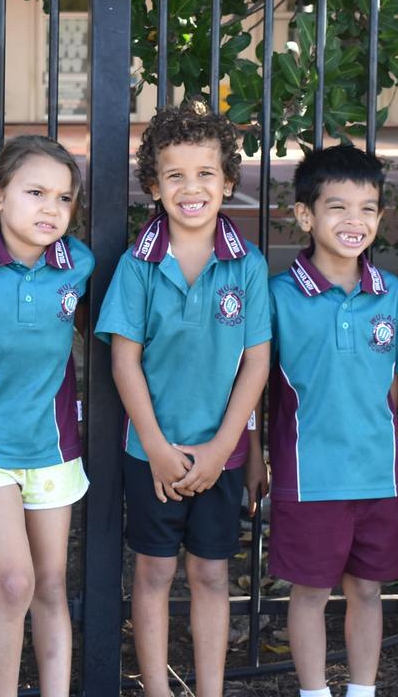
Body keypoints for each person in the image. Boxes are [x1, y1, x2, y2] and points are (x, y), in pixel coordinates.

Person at [95, 99, 270, 697]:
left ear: (227, 182)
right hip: (153, 455)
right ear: (153, 185)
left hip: (219, 455)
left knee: (212, 575)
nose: (190, 188)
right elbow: (125, 360)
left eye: (205, 175)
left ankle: (212, 689)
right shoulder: (137, 266)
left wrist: (224, 449)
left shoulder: (246, 265)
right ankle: (157, 690)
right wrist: (156, 446)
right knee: (153, 572)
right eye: (175, 175)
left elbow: (256, 363)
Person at [267, 145, 398, 697]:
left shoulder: (392, 297)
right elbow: (258, 386)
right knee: (308, 593)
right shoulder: (280, 296)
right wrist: (261, 454)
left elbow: (393, 388)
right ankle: (313, 691)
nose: (355, 222)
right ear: (305, 216)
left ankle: (362, 690)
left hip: (379, 475)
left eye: (368, 209)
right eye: (338, 208)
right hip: (310, 478)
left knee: (369, 592)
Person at [0, 135, 93, 696]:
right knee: (14, 581)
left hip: (53, 445)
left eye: (63, 198)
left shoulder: (78, 263)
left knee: (52, 585)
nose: (50, 209)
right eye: (35, 193)